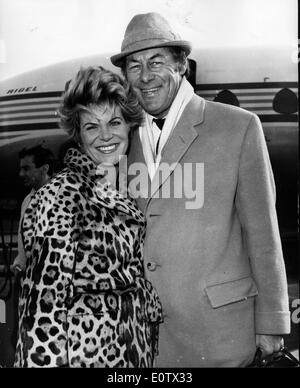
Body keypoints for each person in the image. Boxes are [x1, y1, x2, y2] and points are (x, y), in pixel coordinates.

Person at [110, 12, 291, 367]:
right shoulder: (121, 139)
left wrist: (272, 321)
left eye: (157, 61)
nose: (145, 76)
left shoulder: (237, 127)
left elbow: (264, 235)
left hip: (220, 338)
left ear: (182, 66)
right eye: (134, 65)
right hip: (142, 340)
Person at [14, 66, 162, 368]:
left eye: (115, 122)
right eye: (92, 127)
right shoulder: (60, 196)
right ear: (78, 135)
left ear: (129, 126)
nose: (106, 136)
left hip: (128, 355)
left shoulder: (120, 189)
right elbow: (43, 312)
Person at [11, 145, 55, 273]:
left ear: (45, 168)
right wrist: (19, 266)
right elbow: (23, 248)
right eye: (21, 169)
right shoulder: (27, 200)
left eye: (26, 169)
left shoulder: (61, 198)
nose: (21, 174)